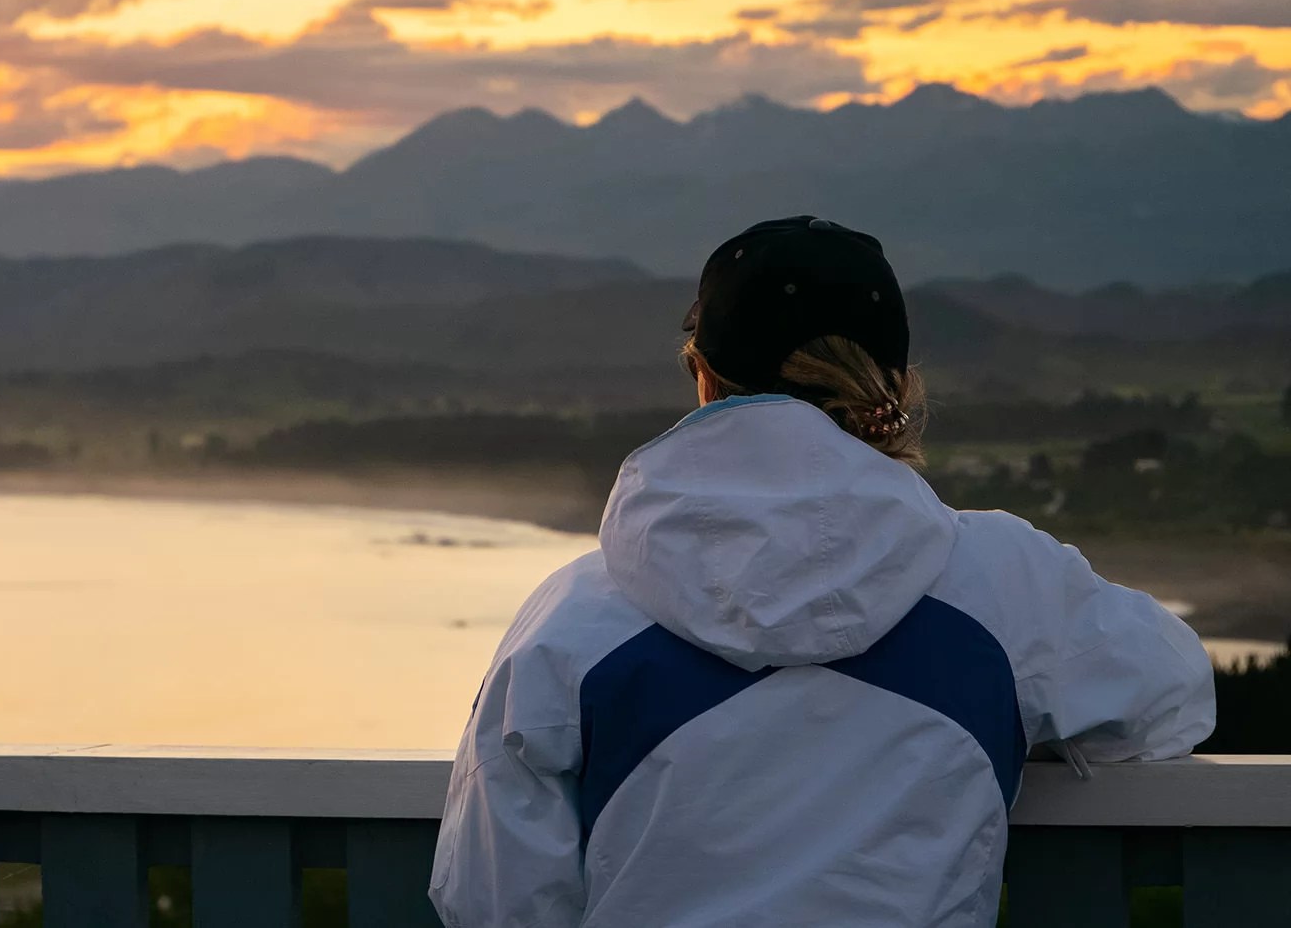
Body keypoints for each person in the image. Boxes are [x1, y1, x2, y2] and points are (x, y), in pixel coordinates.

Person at [428, 216, 1215, 927]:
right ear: (895, 388)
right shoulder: (1008, 582)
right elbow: (1170, 701)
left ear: (703, 377)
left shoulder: (573, 620)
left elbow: (491, 898)